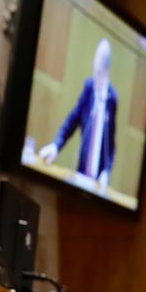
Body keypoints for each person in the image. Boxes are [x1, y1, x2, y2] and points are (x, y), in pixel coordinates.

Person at [38, 38, 118, 191]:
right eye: (94, 71)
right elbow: (72, 120)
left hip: (97, 183)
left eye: (99, 73)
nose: (96, 78)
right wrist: (56, 145)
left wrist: (106, 172)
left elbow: (111, 145)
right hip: (81, 174)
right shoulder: (89, 88)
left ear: (107, 72)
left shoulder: (112, 99)